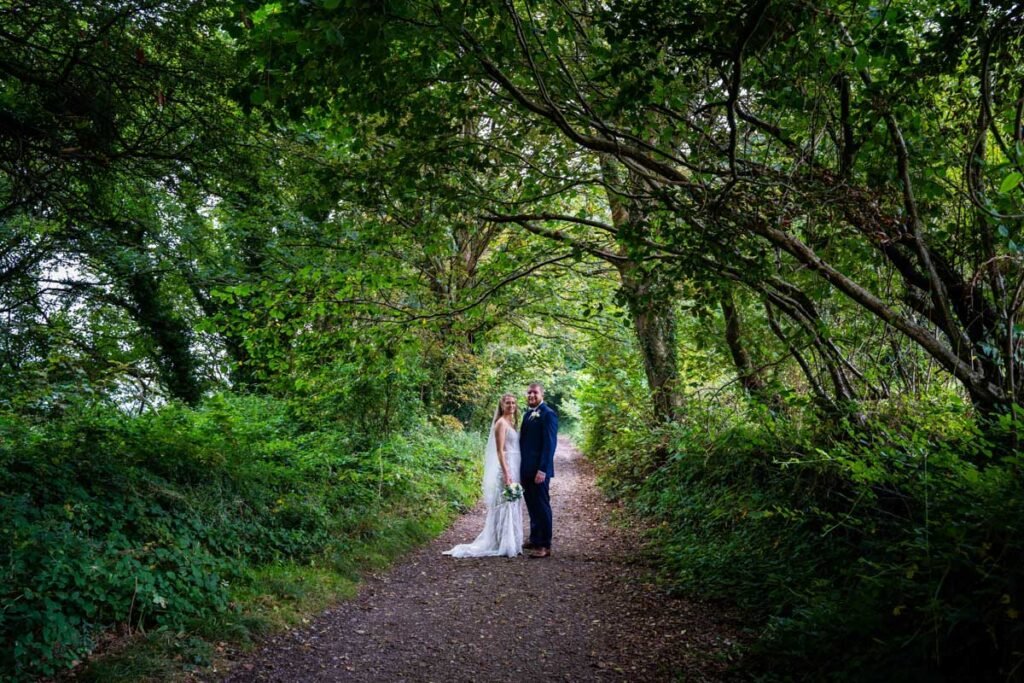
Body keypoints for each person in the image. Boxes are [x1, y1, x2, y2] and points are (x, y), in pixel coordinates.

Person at [443, 394, 524, 558]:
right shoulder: (501, 424)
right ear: (502, 405)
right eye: (508, 403)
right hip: (507, 466)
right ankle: (503, 542)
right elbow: (500, 451)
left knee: (513, 502)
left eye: (514, 403)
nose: (511, 405)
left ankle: (512, 540)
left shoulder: (512, 422)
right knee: (505, 503)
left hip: (516, 465)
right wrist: (507, 473)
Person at [519, 382, 557, 558]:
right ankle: (535, 538)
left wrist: (543, 470)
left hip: (538, 471)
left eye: (534, 392)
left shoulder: (548, 414)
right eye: (529, 393)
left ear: (542, 394)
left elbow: (549, 445)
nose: (531, 395)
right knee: (532, 505)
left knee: (541, 505)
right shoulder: (527, 414)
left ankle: (544, 545)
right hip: (526, 468)